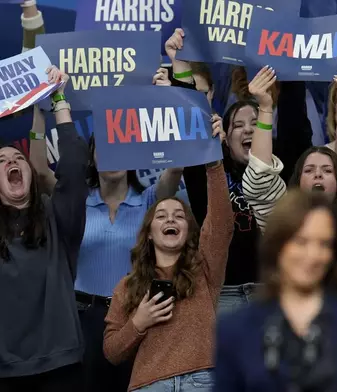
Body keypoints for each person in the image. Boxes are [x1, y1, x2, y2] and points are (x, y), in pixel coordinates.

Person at [29, 99, 184, 392]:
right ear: (92, 157)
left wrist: (169, 99)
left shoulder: (151, 200)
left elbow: (174, 169)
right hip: (81, 319)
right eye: (105, 148)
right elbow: (39, 170)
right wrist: (38, 110)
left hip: (135, 316)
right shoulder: (76, 202)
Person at [215, 189, 337, 391]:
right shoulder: (235, 329)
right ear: (277, 246)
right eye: (300, 242)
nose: (313, 255)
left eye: (324, 244)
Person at [102, 115, 234, 391]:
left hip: (203, 380)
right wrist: (139, 321)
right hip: (150, 384)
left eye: (179, 216)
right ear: (149, 232)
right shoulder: (127, 287)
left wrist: (213, 160)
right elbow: (112, 352)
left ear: (188, 230)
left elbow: (221, 222)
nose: (171, 220)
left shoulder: (204, 269)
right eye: (162, 216)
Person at [243, 66, 337, 289]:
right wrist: (264, 108)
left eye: (328, 170)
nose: (318, 173)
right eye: (309, 170)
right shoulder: (284, 222)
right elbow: (259, 181)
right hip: (298, 321)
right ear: (298, 182)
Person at [0, 68, 89, 390]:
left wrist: (59, 99)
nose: (11, 161)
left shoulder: (57, 217)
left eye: (17, 158)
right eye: (0, 160)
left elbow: (75, 170)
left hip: (61, 368)